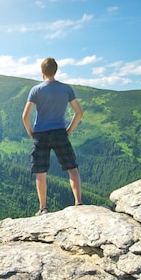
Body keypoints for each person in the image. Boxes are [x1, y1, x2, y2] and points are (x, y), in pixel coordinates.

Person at [22, 57, 83, 215]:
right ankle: (78, 203)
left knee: (40, 172)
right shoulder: (66, 89)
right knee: (72, 169)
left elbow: (25, 116)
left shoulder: (36, 90)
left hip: (40, 134)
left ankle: (43, 208)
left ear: (42, 71)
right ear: (56, 71)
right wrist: (68, 130)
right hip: (59, 132)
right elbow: (79, 113)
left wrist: (31, 133)